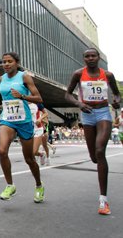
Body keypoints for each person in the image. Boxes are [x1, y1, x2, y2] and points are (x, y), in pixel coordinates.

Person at [65, 48, 121, 215]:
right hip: (87, 115)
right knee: (94, 157)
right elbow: (67, 94)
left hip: (104, 112)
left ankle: (103, 199)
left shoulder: (108, 75)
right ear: (83, 59)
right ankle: (96, 159)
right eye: (87, 56)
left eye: (93, 56)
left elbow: (117, 95)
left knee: (99, 150)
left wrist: (117, 102)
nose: (90, 58)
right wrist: (79, 104)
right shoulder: (78, 74)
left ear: (98, 58)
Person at [0, 52, 45, 202]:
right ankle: (10, 185)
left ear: (16, 62)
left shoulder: (24, 77)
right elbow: (6, 97)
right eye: (4, 62)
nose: (6, 64)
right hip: (7, 119)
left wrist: (22, 96)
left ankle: (39, 185)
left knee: (29, 159)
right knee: (2, 150)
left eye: (9, 61)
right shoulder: (1, 79)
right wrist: (3, 105)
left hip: (24, 120)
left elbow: (39, 99)